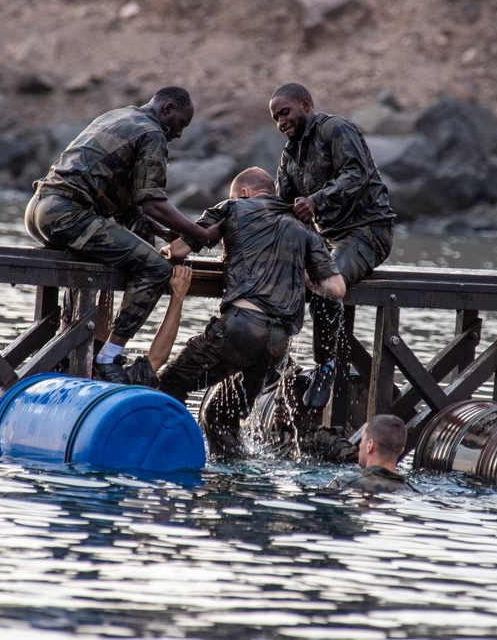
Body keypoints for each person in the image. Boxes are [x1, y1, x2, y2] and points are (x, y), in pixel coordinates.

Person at [24, 86, 220, 385]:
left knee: (141, 240)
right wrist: (200, 233)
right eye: (181, 124)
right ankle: (108, 355)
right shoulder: (153, 132)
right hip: (68, 216)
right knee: (156, 269)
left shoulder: (120, 116)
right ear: (168, 109)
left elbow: (126, 199)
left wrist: (163, 232)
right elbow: (152, 201)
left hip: (39, 209)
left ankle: (86, 337)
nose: (179, 134)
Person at [157, 167, 346, 458]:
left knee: (168, 387)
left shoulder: (232, 207)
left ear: (243, 194)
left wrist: (165, 253)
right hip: (278, 344)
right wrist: (299, 276)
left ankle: (163, 458)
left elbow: (181, 248)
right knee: (220, 417)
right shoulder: (303, 225)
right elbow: (336, 288)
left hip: (240, 329)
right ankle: (234, 479)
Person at [269, 83, 397, 409]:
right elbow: (280, 208)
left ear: (305, 104)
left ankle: (326, 366)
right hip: (326, 240)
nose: (281, 122)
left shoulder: (333, 128)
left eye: (285, 112)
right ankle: (277, 359)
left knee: (327, 284)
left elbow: (358, 173)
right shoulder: (288, 156)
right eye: (275, 118)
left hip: (368, 231)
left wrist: (316, 199)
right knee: (278, 275)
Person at [327, 413, 410, 492]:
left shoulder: (344, 484)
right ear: (401, 451)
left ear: (370, 445)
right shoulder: (412, 491)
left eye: (362, 440)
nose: (360, 445)